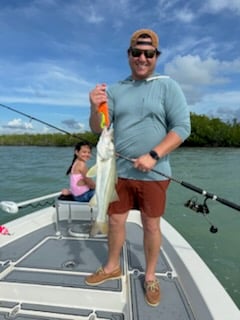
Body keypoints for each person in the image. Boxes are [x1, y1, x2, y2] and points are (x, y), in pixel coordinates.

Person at [85, 29, 191, 307]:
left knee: (151, 225)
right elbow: (100, 128)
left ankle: (151, 276)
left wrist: (154, 155)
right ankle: (111, 267)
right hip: (117, 171)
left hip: (155, 173)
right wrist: (94, 108)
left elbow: (182, 128)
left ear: (156, 56)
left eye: (149, 53)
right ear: (129, 55)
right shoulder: (116, 89)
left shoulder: (168, 86)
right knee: (116, 221)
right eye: (137, 52)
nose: (142, 58)